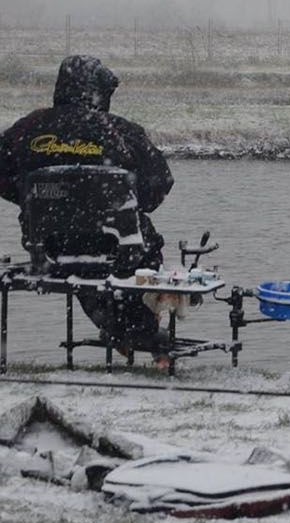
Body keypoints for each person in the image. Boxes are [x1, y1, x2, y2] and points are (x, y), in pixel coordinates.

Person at [0, 55, 172, 359]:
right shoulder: (121, 131)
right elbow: (158, 185)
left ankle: (125, 329)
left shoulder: (26, 129)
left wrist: (34, 199)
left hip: (50, 250)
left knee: (85, 257)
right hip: (120, 252)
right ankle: (134, 328)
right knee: (141, 243)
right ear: (100, 92)